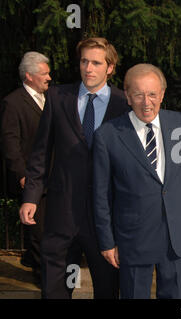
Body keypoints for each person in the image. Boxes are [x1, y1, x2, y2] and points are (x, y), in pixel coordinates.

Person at [19, 37, 129, 299]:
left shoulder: (123, 104)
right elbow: (41, 152)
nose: (88, 68)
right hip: (61, 212)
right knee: (55, 287)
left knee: (107, 288)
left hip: (104, 218)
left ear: (110, 67)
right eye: (84, 61)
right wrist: (31, 197)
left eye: (96, 63)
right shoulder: (58, 96)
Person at [92, 63, 181, 299]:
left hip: (173, 238)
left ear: (162, 94)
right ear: (127, 96)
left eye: (153, 94)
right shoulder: (107, 135)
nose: (147, 102)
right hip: (132, 239)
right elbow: (100, 194)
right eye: (139, 94)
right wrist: (107, 242)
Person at [0, 51, 51, 283]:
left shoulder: (50, 98)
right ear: (29, 76)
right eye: (44, 73)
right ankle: (43, 279)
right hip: (31, 180)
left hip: (53, 177)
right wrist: (21, 176)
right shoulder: (12, 103)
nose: (49, 77)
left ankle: (32, 258)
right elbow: (10, 144)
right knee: (39, 232)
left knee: (47, 228)